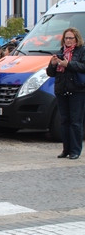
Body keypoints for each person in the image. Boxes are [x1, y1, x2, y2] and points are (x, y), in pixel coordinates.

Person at [47, 27, 85, 159]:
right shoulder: (60, 52)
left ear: (76, 39)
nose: (68, 40)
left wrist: (68, 64)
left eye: (70, 38)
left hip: (77, 90)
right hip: (62, 89)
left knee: (75, 122)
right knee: (64, 121)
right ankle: (66, 149)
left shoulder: (82, 51)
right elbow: (50, 73)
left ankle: (75, 150)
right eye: (66, 38)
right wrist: (52, 64)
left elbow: (83, 67)